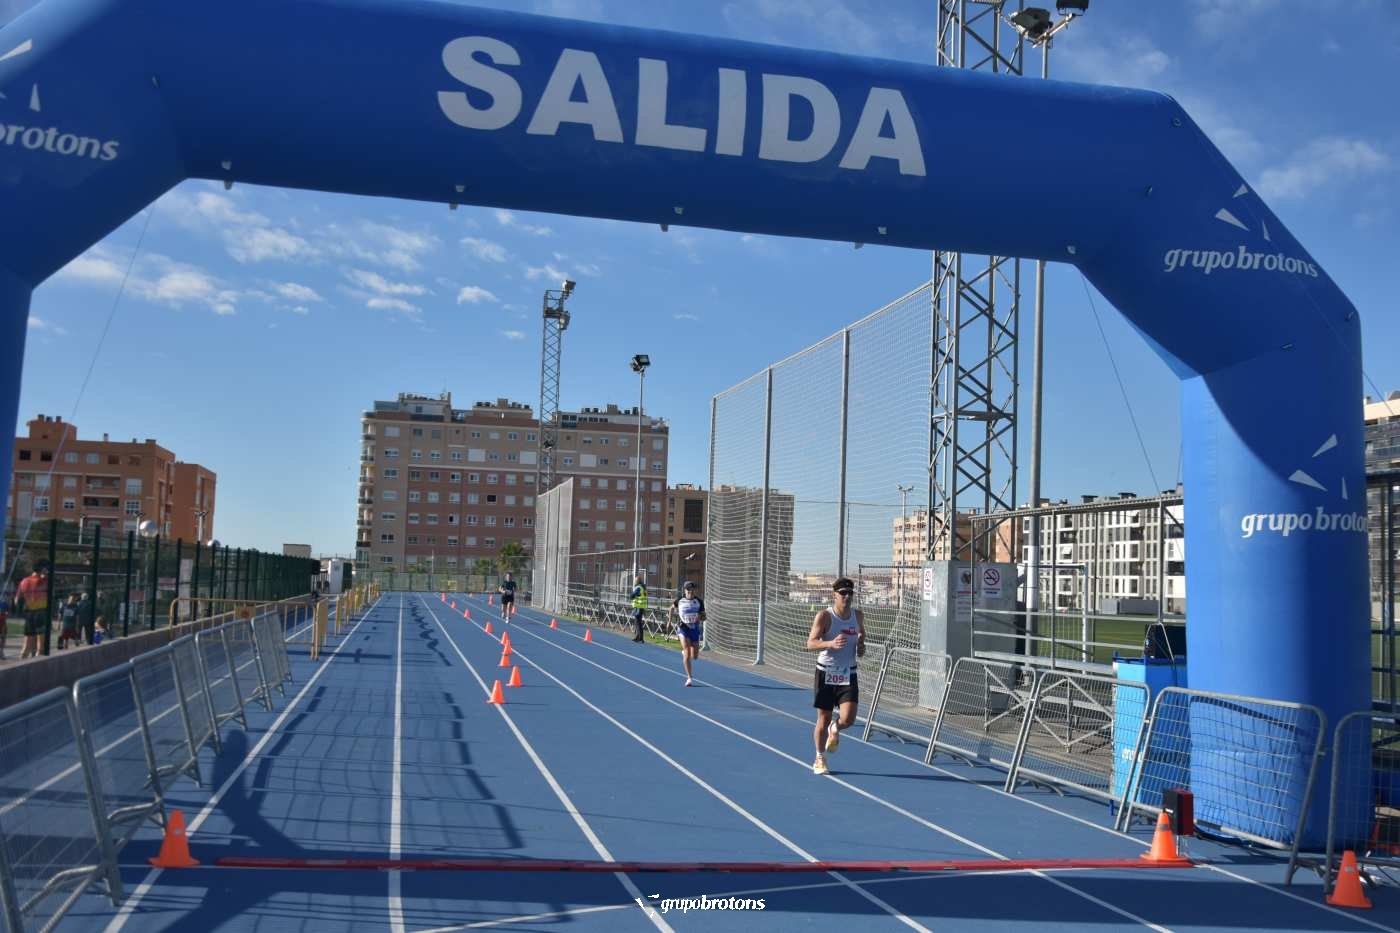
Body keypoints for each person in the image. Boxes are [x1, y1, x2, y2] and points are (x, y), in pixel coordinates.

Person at [806, 577, 865, 776]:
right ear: (835, 595)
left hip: (849, 672)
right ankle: (819, 757)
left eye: (850, 593)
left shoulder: (858, 616)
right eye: (843, 593)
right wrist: (830, 644)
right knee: (823, 718)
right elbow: (811, 643)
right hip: (827, 672)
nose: (847, 596)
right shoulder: (825, 616)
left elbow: (861, 637)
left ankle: (835, 727)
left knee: (848, 719)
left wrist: (861, 646)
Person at [669, 581, 705, 686]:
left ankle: (686, 653)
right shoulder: (679, 600)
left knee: (695, 656)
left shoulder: (699, 601)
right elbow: (671, 608)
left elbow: (704, 616)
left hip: (694, 629)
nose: (691, 592)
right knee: (687, 653)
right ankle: (689, 678)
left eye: (692, 590)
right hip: (683, 628)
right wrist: (669, 621)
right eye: (688, 590)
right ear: (684, 590)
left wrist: (700, 617)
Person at [16, 562, 50, 659]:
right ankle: (38, 662)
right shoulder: (44, 580)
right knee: (41, 645)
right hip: (41, 612)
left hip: (29, 613)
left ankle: (21, 661)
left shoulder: (24, 581)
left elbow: (16, 600)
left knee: (27, 644)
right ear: (43, 569)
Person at [629, 574, 647, 643]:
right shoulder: (643, 587)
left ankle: (639, 638)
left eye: (635, 580)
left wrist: (631, 596)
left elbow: (633, 595)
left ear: (637, 581)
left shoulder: (638, 587)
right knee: (639, 622)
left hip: (638, 607)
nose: (634, 581)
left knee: (637, 622)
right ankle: (640, 637)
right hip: (641, 606)